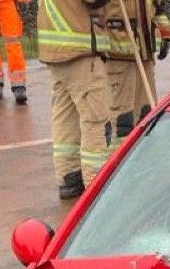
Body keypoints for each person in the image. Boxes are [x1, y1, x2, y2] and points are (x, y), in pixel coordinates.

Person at [37, 0, 113, 199]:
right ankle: (95, 184)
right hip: (80, 51)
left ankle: (69, 178)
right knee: (95, 120)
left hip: (56, 51)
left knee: (65, 119)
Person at [105, 0, 169, 138]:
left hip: (144, 53)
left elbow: (157, 6)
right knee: (123, 121)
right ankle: (119, 156)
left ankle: (143, 155)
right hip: (118, 55)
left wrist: (165, 31)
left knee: (147, 115)